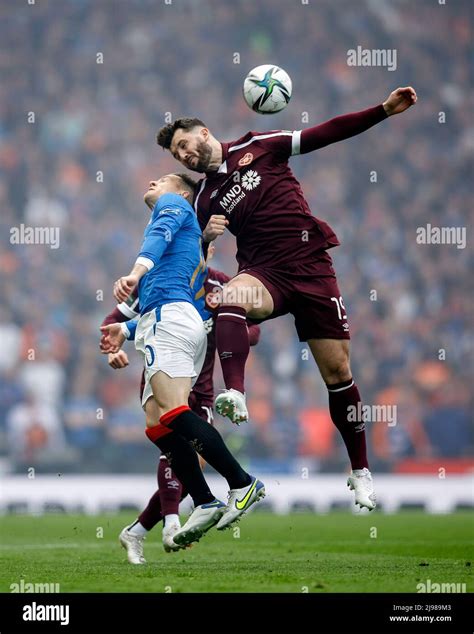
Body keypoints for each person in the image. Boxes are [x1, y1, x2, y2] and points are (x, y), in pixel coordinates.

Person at [156, 87, 418, 510]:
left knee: (338, 374)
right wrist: (205, 237)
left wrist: (383, 111)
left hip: (312, 267)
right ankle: (236, 393)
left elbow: (325, 133)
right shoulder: (203, 200)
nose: (184, 155)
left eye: (185, 144)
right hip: (266, 274)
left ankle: (360, 471)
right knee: (229, 296)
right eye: (177, 155)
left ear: (204, 132)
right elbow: (192, 260)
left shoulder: (258, 145)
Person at [100, 173, 265, 549]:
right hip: (166, 320)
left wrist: (134, 272)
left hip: (169, 322)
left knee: (174, 413)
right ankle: (204, 501)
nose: (153, 181)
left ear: (183, 192)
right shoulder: (187, 249)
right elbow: (176, 289)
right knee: (157, 424)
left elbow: (158, 238)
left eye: (161, 180)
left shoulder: (173, 205)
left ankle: (242, 483)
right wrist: (123, 331)